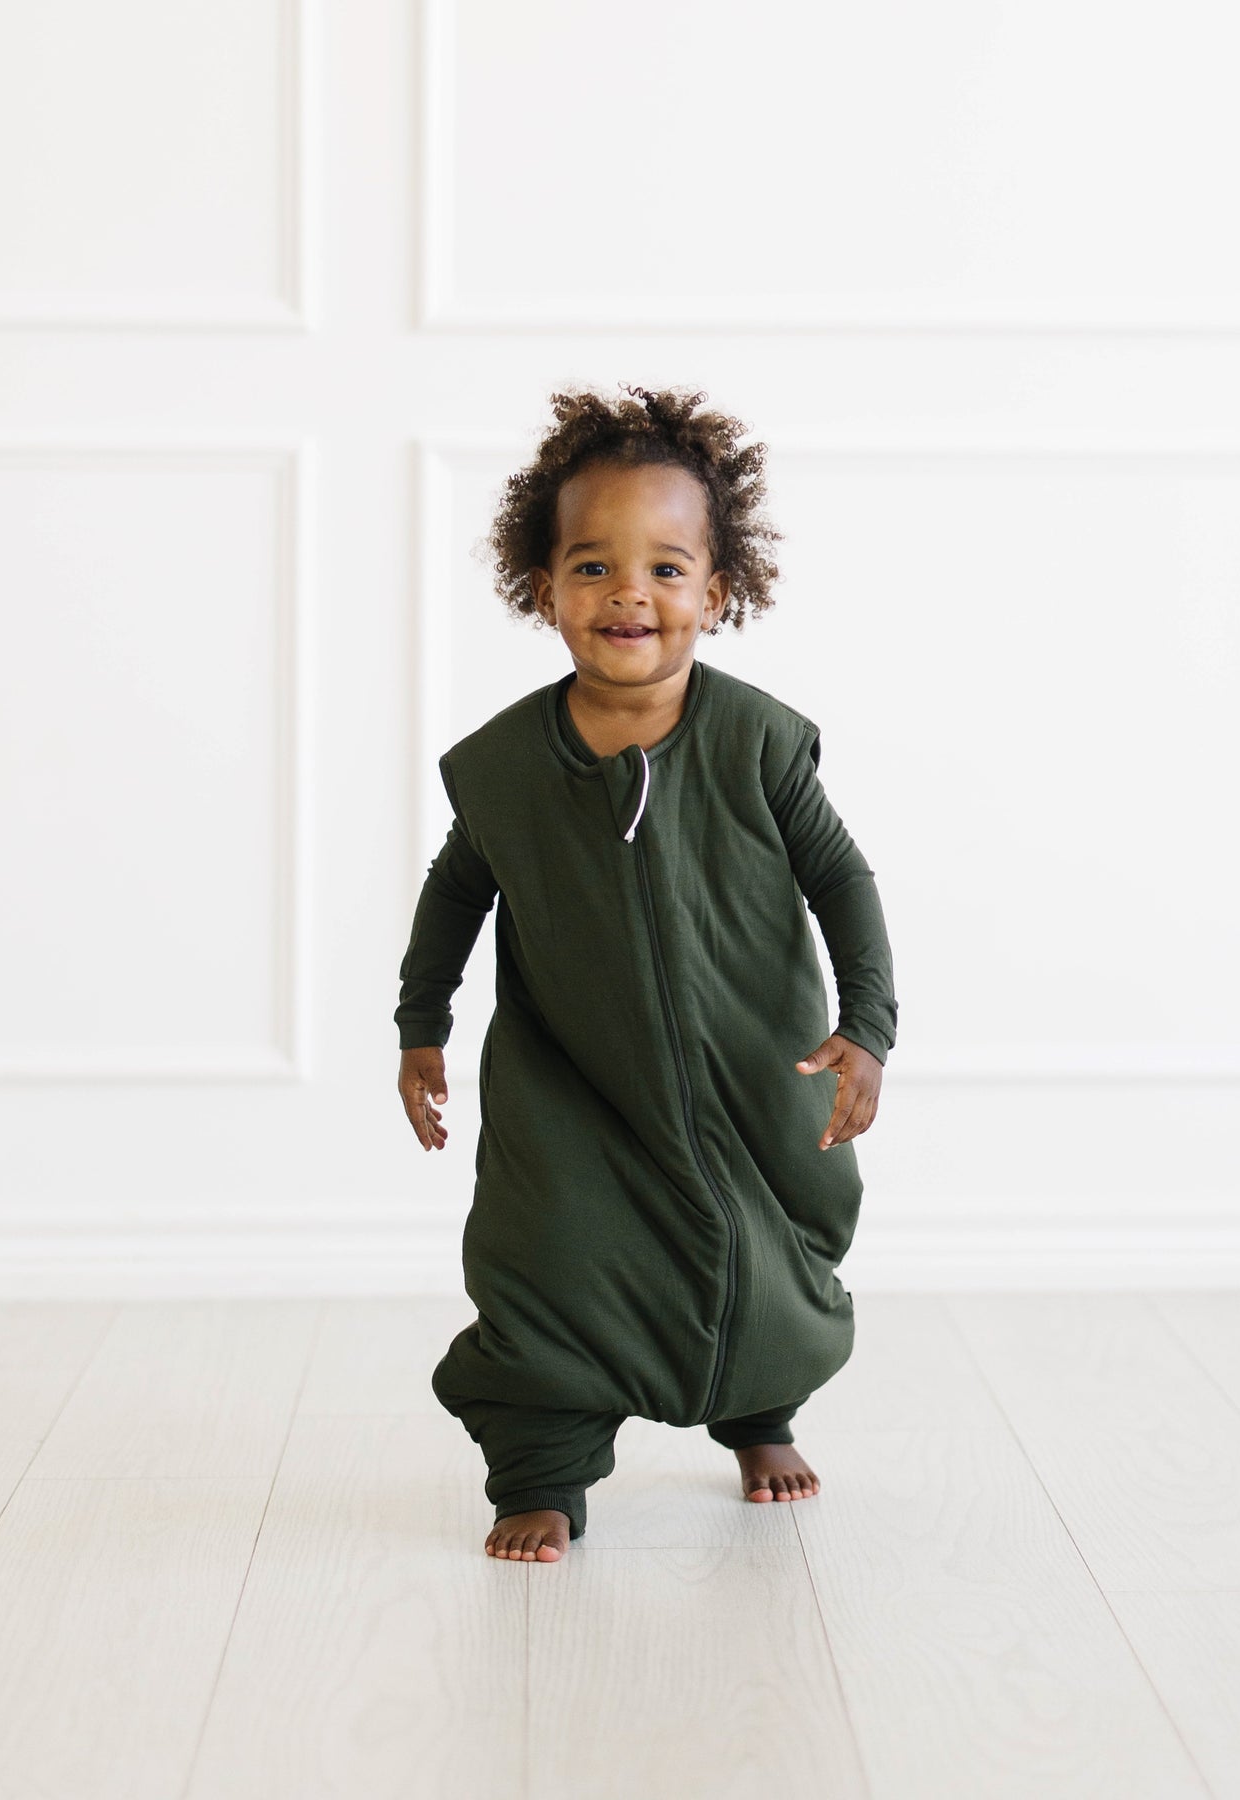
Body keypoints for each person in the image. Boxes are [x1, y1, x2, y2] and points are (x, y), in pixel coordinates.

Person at [394, 383, 897, 1562]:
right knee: (545, 1259)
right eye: (592, 567)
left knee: (768, 1242)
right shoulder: (511, 765)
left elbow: (844, 880)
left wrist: (866, 1027)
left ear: (717, 594)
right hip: (572, 1078)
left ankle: (757, 1414)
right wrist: (423, 1025)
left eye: (667, 569)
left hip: (751, 1064)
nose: (630, 593)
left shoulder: (758, 742)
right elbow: (456, 890)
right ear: (543, 588)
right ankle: (540, 1474)